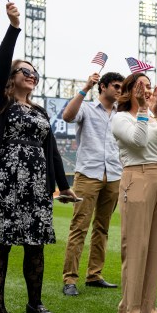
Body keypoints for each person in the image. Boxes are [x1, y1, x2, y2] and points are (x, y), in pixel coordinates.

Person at [0, 3, 77, 313]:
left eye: (35, 74)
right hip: (6, 182)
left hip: (35, 183)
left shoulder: (42, 111)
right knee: (1, 244)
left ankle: (34, 302)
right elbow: (0, 66)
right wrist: (14, 27)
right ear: (12, 78)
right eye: (25, 72)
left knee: (35, 246)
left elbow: (53, 152)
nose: (32, 76)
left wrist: (64, 185)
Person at [111, 73, 157, 313]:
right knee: (136, 247)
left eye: (150, 86)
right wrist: (141, 109)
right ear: (130, 90)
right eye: (142, 86)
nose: (148, 90)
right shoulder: (121, 118)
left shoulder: (151, 116)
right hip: (136, 176)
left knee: (154, 246)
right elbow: (138, 143)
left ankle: (149, 307)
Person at [61, 71, 124, 296]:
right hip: (88, 173)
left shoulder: (122, 113)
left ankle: (94, 275)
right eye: (116, 86)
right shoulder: (86, 107)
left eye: (121, 87)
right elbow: (67, 116)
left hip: (114, 174)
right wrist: (85, 87)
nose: (119, 90)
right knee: (79, 227)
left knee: (102, 228)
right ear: (103, 87)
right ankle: (70, 279)